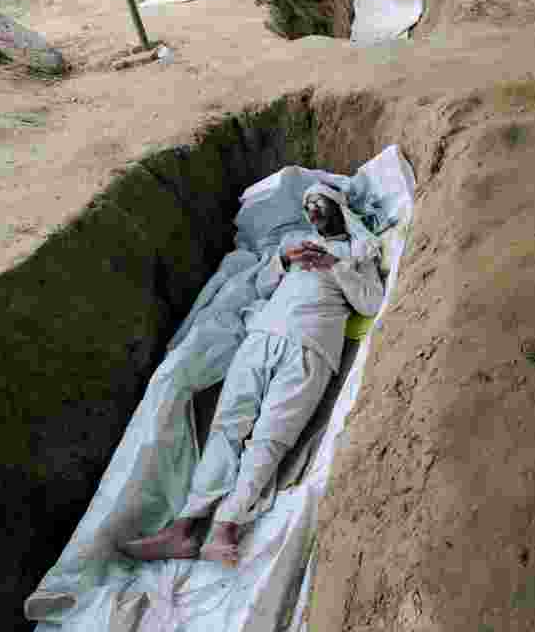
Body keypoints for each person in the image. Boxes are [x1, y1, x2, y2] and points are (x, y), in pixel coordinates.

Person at [120, 181, 385, 566]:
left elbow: (372, 301)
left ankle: (225, 528)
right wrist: (281, 260)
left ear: (338, 207)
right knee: (227, 426)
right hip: (262, 336)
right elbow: (260, 287)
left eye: (320, 203)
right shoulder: (294, 243)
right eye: (307, 204)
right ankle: (182, 528)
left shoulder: (357, 250)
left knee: (270, 437)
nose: (313, 211)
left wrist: (336, 266)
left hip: (310, 348)